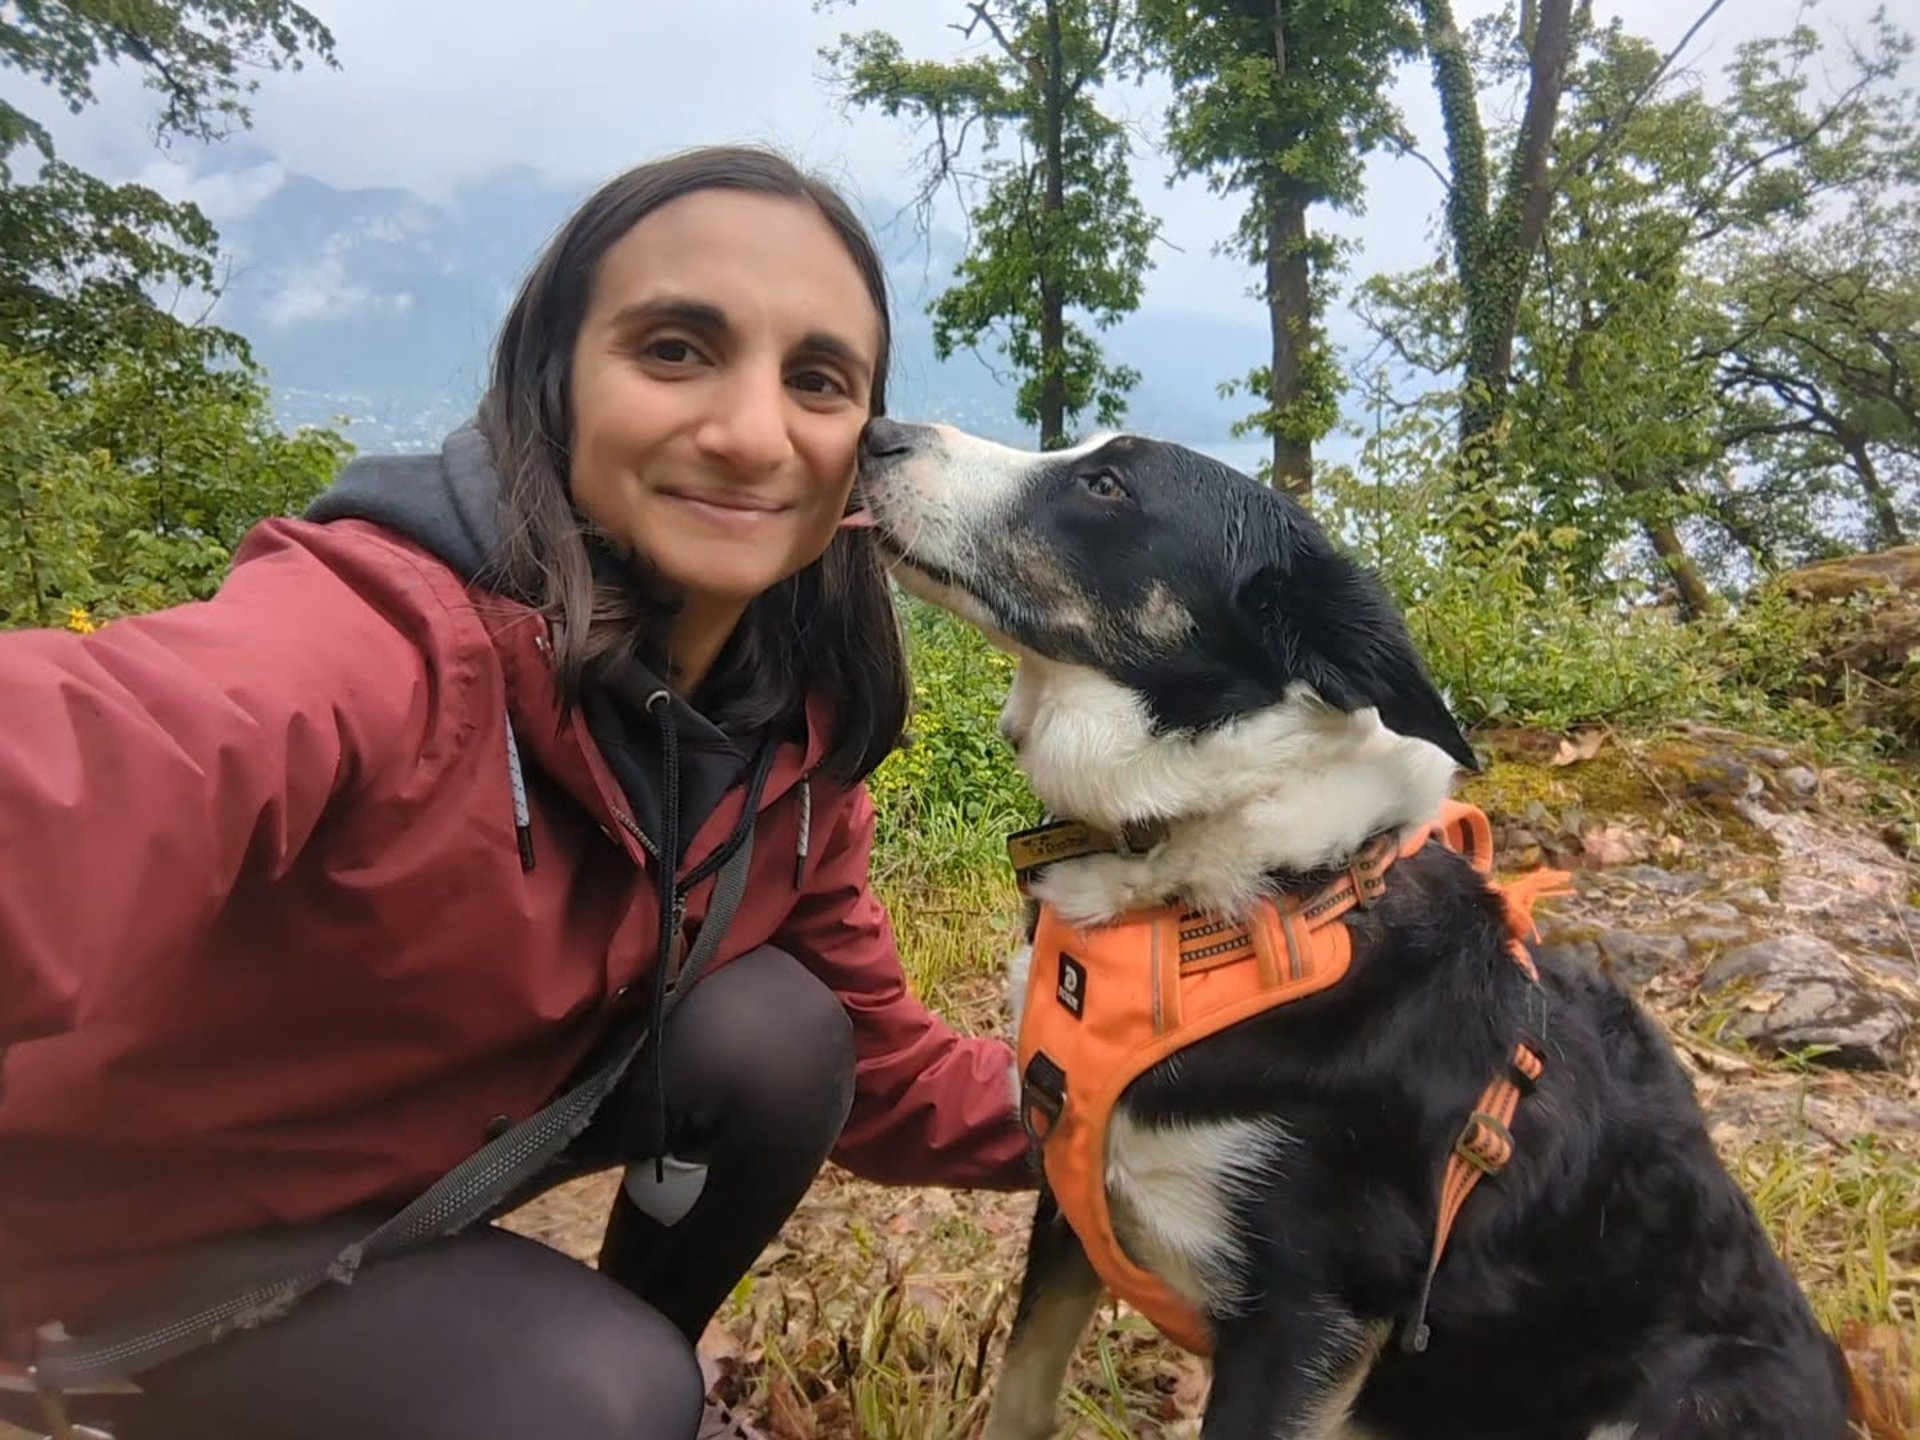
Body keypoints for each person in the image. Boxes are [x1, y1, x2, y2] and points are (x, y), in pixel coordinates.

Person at [0, 144, 1034, 1440]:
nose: (753, 429)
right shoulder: (386, 636)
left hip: (398, 1190)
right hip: (118, 1254)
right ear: (553, 385)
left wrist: (1155, 1104)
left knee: (783, 1031)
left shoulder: (789, 739)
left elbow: (883, 1073)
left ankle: (589, 1383)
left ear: (856, 464)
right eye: (674, 350)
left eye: (817, 379)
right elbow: (105, 755)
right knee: (602, 1398)